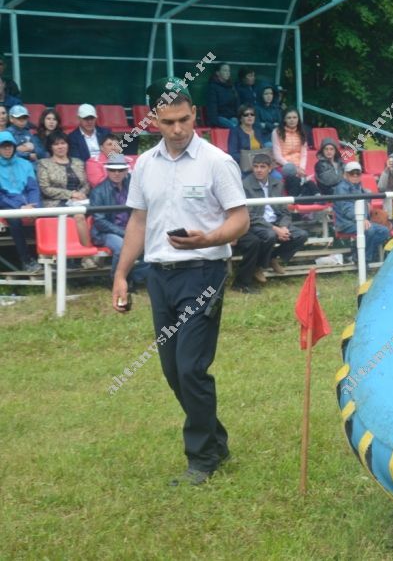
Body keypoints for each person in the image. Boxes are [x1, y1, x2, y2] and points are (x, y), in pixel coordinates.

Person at [112, 77, 249, 487]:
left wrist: (208, 239)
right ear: (153, 119)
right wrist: (120, 275)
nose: (178, 129)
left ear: (194, 116)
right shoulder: (144, 166)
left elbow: (240, 219)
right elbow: (138, 221)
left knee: (191, 367)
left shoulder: (216, 161)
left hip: (203, 274)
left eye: (185, 119)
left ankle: (202, 458)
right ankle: (216, 439)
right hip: (159, 275)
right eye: (169, 121)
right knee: (173, 371)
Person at [235, 153, 308, 292]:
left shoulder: (277, 184)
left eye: (262, 167)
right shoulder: (245, 185)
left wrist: (284, 227)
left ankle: (272, 257)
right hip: (257, 224)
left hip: (277, 222)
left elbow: (285, 211)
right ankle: (259, 267)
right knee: (269, 235)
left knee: (301, 235)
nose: (258, 170)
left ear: (270, 168)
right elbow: (250, 215)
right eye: (256, 166)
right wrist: (275, 229)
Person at [90, 154, 147, 285]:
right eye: (112, 170)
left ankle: (132, 277)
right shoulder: (98, 191)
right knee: (122, 247)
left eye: (120, 170)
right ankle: (116, 281)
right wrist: (124, 232)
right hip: (104, 233)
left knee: (152, 245)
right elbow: (99, 222)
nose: (116, 173)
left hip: (131, 228)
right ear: (107, 170)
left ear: (126, 171)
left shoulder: (133, 186)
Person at [36, 131, 94, 258]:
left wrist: (81, 194)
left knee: (100, 212)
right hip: (55, 202)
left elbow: (86, 184)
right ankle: (88, 255)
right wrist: (71, 194)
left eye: (63, 143)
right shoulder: (44, 164)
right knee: (78, 215)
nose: (61, 147)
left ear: (68, 145)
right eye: (56, 144)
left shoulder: (78, 162)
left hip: (81, 200)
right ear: (50, 147)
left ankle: (102, 248)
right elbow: (45, 188)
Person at [0, 130, 41, 272]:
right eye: (3, 146)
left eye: (9, 146)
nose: (7, 149)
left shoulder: (25, 164)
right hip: (7, 204)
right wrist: (20, 207)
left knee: (46, 216)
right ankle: (26, 260)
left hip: (28, 203)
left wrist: (33, 206)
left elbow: (33, 188)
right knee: (15, 220)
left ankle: (50, 258)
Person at [333, 160, 388, 261]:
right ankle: (363, 260)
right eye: (352, 173)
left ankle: (358, 254)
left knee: (384, 231)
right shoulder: (341, 188)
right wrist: (361, 219)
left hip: (358, 221)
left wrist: (368, 203)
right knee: (369, 230)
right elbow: (347, 209)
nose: (355, 175)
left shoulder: (360, 187)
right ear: (345, 174)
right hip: (345, 223)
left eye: (358, 173)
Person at [271, 108, 317, 197]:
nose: (292, 120)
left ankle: (316, 198)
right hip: (283, 165)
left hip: (299, 165)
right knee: (293, 177)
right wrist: (295, 169)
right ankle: (295, 200)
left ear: (298, 119)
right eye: (289, 118)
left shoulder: (302, 132)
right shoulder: (276, 132)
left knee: (311, 179)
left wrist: (301, 168)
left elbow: (304, 153)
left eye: (294, 117)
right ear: (284, 119)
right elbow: (277, 156)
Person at [205, 62, 240, 128]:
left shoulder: (231, 87)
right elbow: (212, 107)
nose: (228, 73)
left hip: (232, 118)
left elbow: (237, 104)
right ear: (217, 73)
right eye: (225, 70)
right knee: (234, 127)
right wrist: (214, 122)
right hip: (220, 118)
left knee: (243, 126)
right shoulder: (213, 87)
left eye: (228, 70)